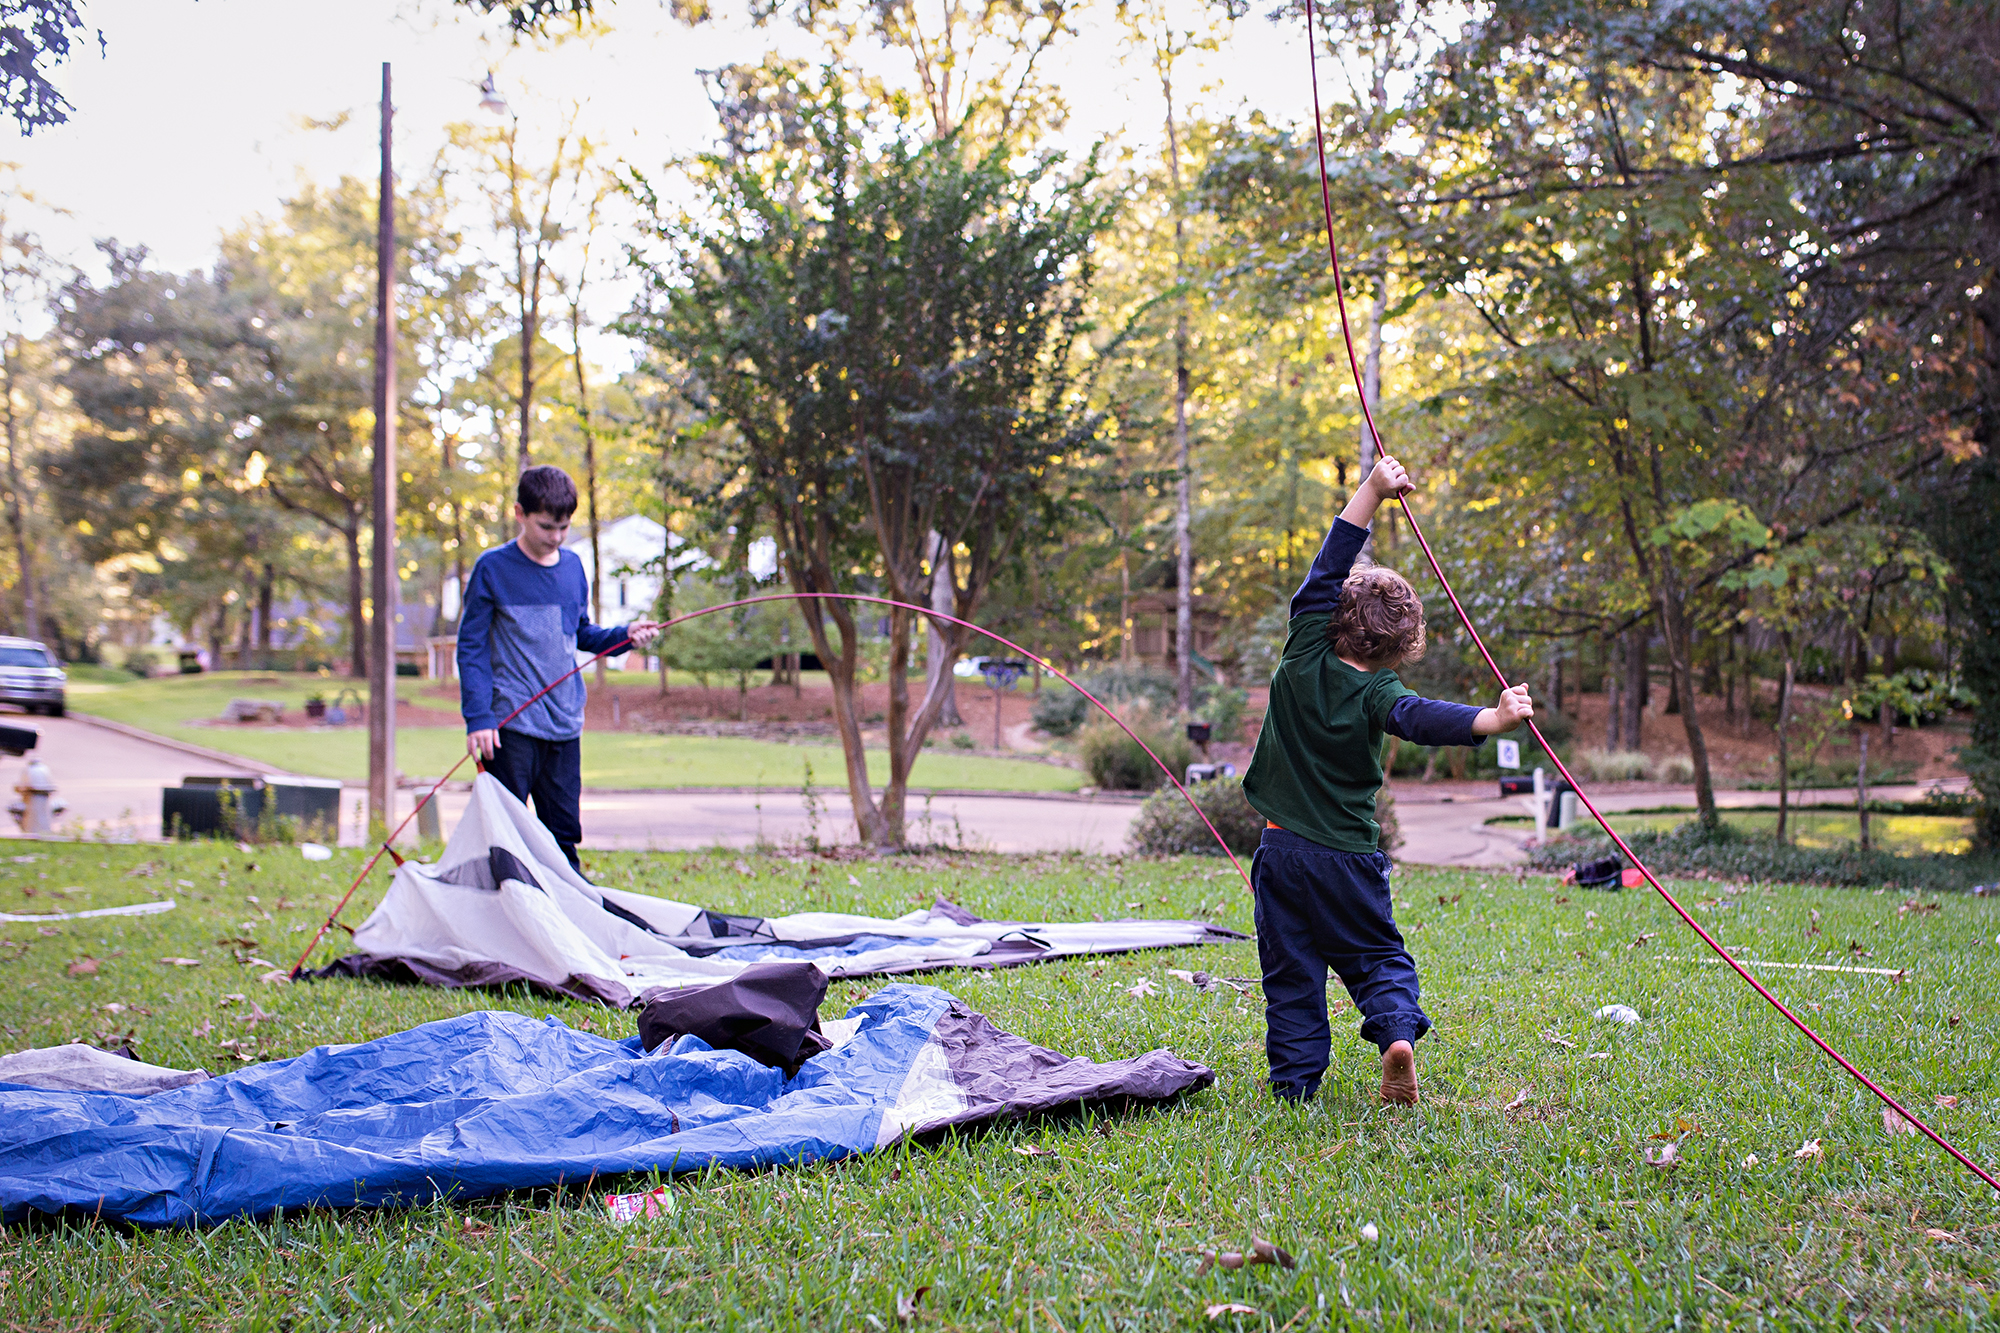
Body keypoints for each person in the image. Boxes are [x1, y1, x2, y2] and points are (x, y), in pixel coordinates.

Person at [1241, 454, 1533, 1106]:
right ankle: (1395, 1034)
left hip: (1281, 849)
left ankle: (1293, 1087)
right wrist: (1493, 716)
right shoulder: (1381, 693)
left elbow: (1329, 561)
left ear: (1334, 617)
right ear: (1399, 652)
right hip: (1347, 858)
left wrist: (1372, 489)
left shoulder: (1304, 646)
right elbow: (1421, 718)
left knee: (1291, 975)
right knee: (1376, 957)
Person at [458, 465, 660, 869]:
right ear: (519, 513)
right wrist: (479, 717)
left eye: (564, 528)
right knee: (507, 836)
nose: (555, 538)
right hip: (509, 724)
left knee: (563, 835)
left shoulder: (572, 568)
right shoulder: (492, 568)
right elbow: (471, 647)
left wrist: (625, 635)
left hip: (565, 722)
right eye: (546, 526)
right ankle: (508, 921)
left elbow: (580, 633)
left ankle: (566, 919)